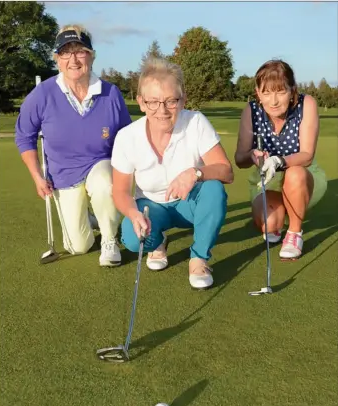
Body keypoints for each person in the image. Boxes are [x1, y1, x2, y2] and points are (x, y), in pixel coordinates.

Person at [111, 57, 233, 290]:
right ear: (141, 102)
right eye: (154, 102)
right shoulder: (127, 137)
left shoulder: (196, 122)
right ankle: (158, 242)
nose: (162, 110)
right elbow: (120, 191)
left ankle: (198, 258)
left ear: (183, 99)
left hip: (189, 205)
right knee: (132, 239)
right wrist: (133, 214)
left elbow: (226, 171)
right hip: (151, 207)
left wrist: (195, 173)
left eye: (171, 101)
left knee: (214, 188)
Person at [15, 24, 131, 267]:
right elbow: (25, 136)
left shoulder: (111, 93)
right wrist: (37, 177)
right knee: (78, 246)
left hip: (101, 164)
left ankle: (110, 240)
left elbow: (126, 138)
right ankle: (91, 218)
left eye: (80, 51)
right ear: (57, 59)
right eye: (66, 52)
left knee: (103, 183)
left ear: (91, 55)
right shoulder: (42, 94)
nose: (74, 59)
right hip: (63, 174)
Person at [235, 59, 327, 259]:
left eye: (280, 91)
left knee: (294, 173)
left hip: (303, 175)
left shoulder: (306, 103)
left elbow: (307, 156)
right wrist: (251, 155)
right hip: (268, 180)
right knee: (269, 224)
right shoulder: (251, 111)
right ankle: (284, 210)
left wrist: (279, 161)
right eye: (266, 92)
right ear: (258, 93)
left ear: (292, 90)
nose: (274, 101)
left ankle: (294, 233)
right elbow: (239, 159)